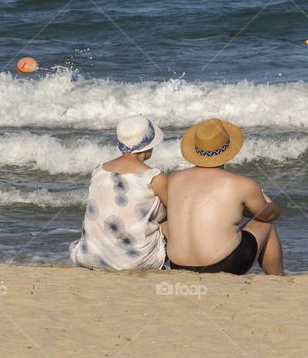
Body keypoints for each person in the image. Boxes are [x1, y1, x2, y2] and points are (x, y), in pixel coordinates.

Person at [165, 118, 283, 275]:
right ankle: (278, 280)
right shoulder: (241, 184)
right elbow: (268, 215)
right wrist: (265, 199)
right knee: (266, 225)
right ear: (227, 150)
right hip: (221, 265)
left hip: (178, 265)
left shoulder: (173, 179)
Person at [69, 115, 169, 271]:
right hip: (133, 261)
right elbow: (175, 210)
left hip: (90, 256)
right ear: (148, 146)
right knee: (174, 218)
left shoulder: (99, 170)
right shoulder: (153, 177)